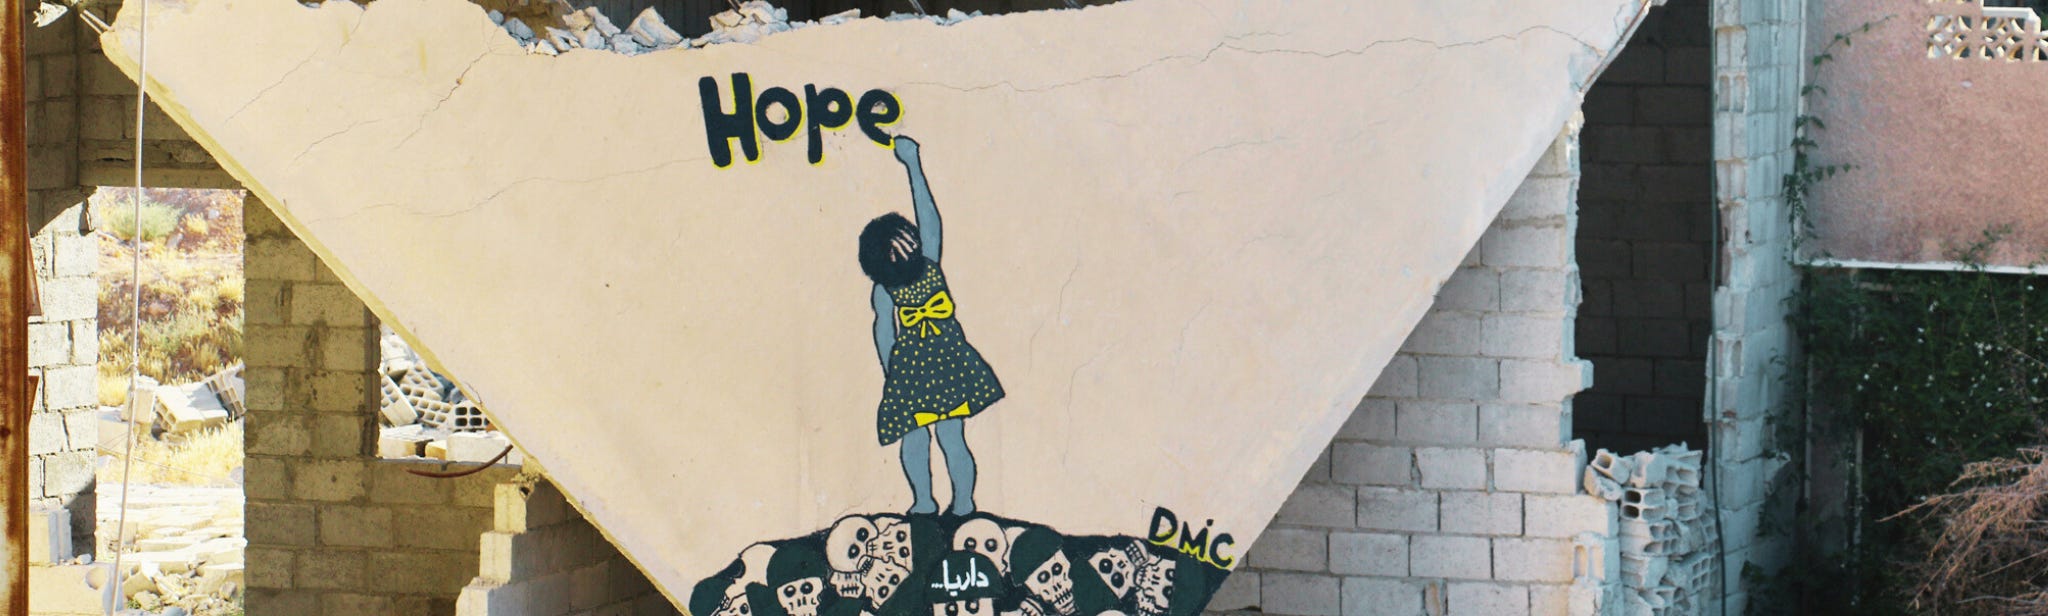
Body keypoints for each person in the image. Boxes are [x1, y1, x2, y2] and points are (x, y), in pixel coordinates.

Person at [860, 135, 1004, 516]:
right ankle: (923, 501)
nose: (904, 252)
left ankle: (963, 502)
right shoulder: (887, 289)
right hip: (911, 371)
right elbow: (883, 331)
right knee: (916, 438)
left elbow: (929, 217)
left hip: (946, 363)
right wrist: (891, 373)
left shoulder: (928, 264)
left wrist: (913, 164)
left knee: (951, 435)